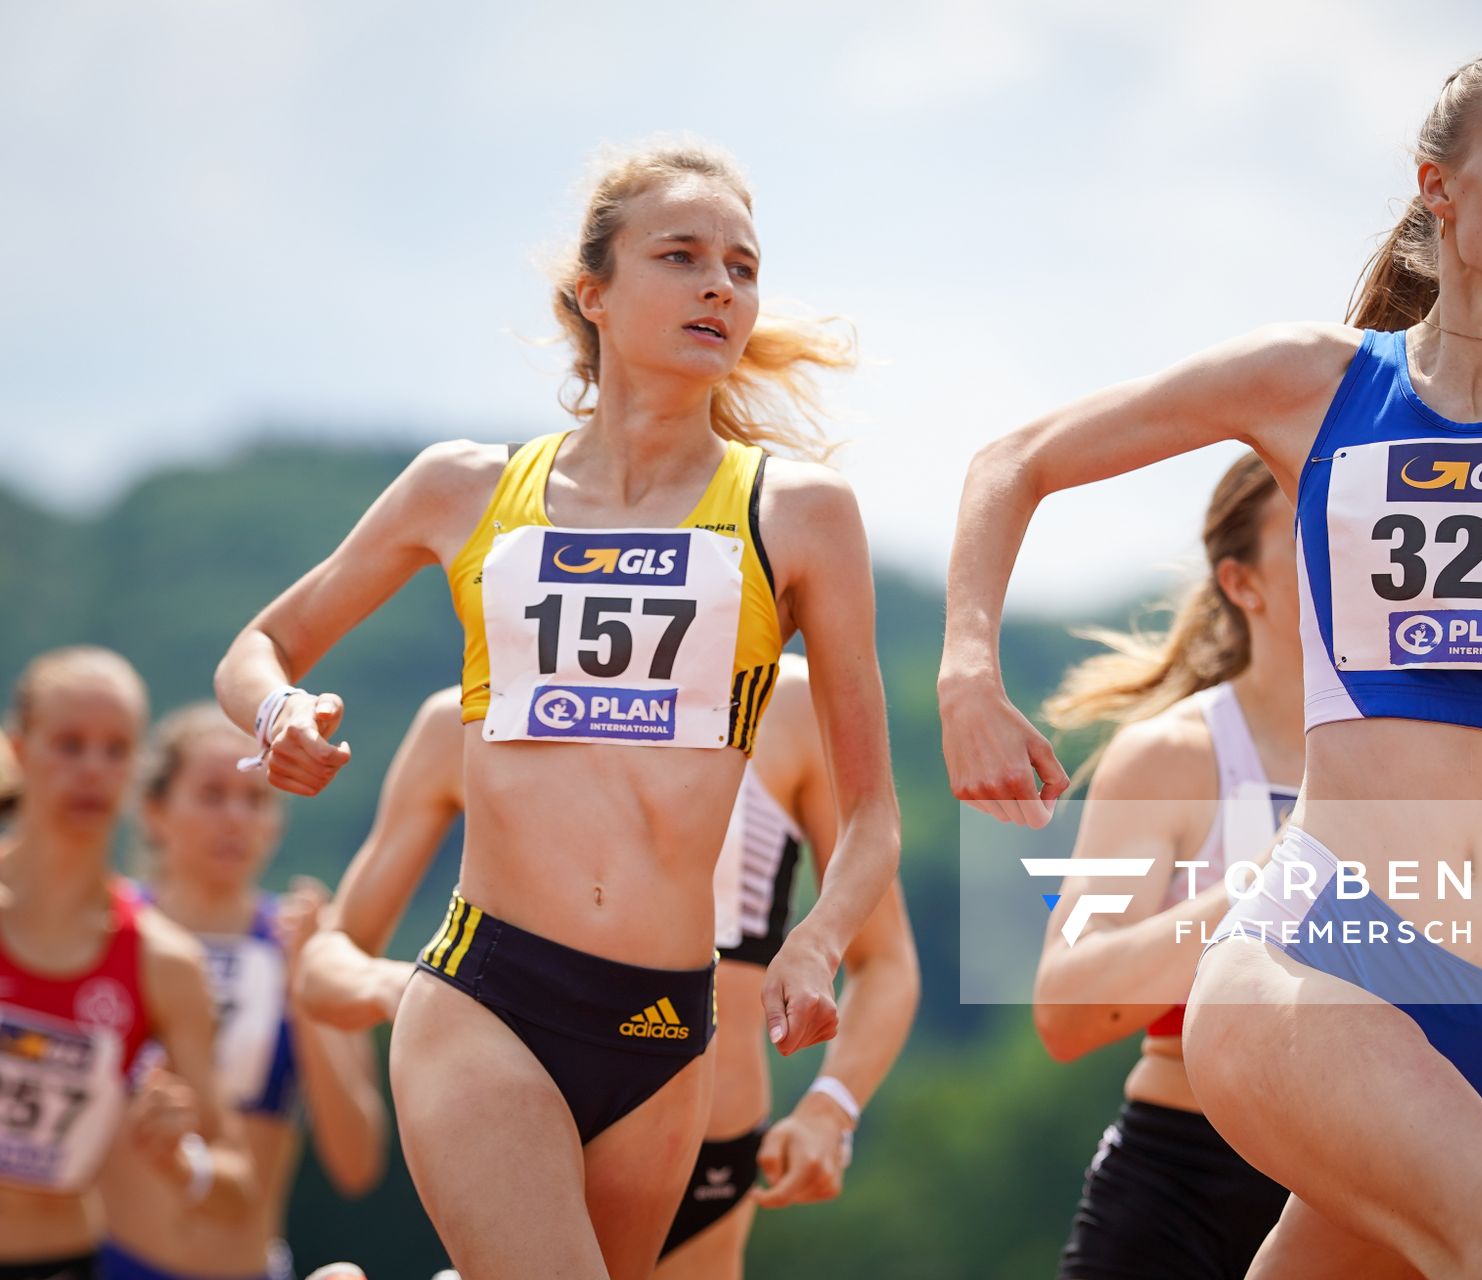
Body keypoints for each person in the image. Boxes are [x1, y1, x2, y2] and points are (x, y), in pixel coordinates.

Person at [939, 42, 1482, 1278]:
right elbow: (1017, 457)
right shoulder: (1315, 383)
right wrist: (967, 672)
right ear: (1438, 183)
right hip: (1314, 949)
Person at [214, 139, 899, 1279]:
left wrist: (818, 941)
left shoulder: (803, 513)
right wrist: (278, 710)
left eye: (742, 265)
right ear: (594, 292)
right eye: (680, 257)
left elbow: (874, 813)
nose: (720, 286)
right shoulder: (467, 487)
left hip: (666, 1031)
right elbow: (263, 642)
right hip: (492, 992)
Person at [296, 661, 918, 1279]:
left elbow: (884, 960)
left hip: (705, 1151)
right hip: (511, 1131)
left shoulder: (786, 704)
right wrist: (413, 988)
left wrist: (830, 1109)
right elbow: (325, 961)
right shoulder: (467, 712)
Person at [1033, 454, 1302, 1279]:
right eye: (1317, 528)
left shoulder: (1431, 757)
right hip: (1184, 1192)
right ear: (1243, 583)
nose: (1353, 551)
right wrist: (1273, 877)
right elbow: (1068, 1005)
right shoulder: (1174, 757)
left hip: (1379, 1186)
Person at [97, 704, 388, 1280]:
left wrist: (304, 994)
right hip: (108, 1260)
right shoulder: (108, 931)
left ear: (275, 821)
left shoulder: (303, 944)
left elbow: (357, 1164)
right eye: (211, 794)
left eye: (255, 800)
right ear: (155, 812)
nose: (235, 817)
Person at [1, 648, 258, 1279]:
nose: (92, 769)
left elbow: (237, 1184)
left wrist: (183, 1161)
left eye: (115, 750)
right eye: (68, 744)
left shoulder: (163, 961)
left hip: (56, 1260)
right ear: (20, 749)